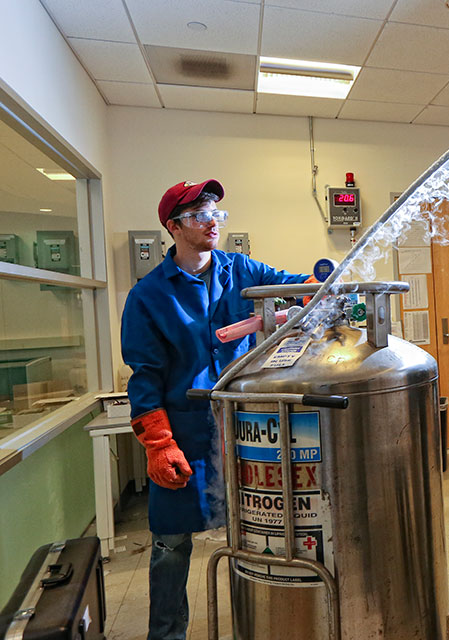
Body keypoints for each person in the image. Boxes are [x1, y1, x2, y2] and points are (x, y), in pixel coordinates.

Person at [121, 179, 316, 640]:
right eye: (200, 216)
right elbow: (145, 375)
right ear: (174, 227)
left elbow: (293, 287)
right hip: (184, 432)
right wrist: (158, 443)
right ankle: (167, 634)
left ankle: (263, 623)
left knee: (258, 533)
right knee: (171, 544)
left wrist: (316, 286)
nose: (213, 223)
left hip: (247, 426)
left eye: (217, 215)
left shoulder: (241, 269)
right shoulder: (148, 295)